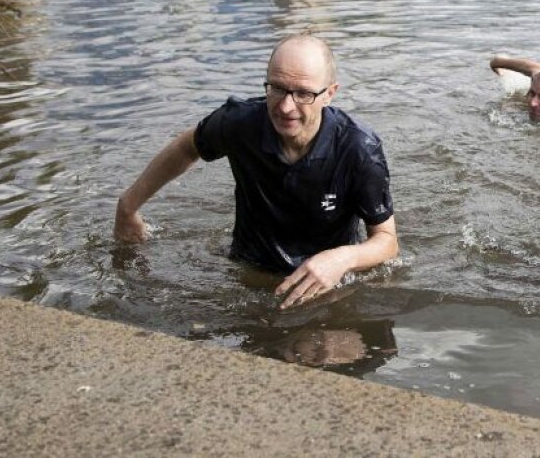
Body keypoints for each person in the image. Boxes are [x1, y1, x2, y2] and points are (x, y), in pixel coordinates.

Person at [114, 34, 398, 309]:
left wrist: (341, 260)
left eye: (302, 94)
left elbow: (387, 241)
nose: (286, 107)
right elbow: (186, 148)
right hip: (248, 270)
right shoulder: (241, 123)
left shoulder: (359, 149)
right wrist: (127, 207)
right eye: (277, 88)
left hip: (327, 282)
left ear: (329, 94)